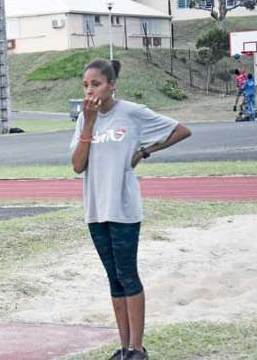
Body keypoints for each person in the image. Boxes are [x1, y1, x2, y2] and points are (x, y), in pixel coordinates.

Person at [70, 59, 191, 360]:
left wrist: (145, 151)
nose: (90, 91)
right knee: (113, 278)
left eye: (95, 84)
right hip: (96, 209)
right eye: (85, 85)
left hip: (123, 207)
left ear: (111, 85)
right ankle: (124, 348)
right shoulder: (85, 118)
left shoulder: (132, 113)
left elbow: (181, 130)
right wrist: (88, 122)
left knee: (128, 274)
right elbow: (77, 165)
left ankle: (138, 348)